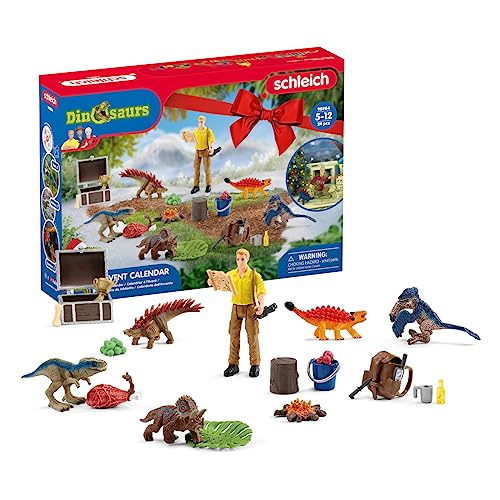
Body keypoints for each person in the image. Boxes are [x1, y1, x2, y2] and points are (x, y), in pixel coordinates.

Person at [208, 248, 266, 378]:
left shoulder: (253, 275)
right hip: (235, 308)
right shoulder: (231, 274)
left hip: (250, 307)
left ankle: (255, 364)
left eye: (242, 259)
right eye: (238, 259)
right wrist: (212, 282)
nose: (240, 262)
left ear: (247, 259)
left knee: (252, 336)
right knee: (233, 335)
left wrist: (261, 304)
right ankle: (233, 364)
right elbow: (223, 284)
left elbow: (261, 290)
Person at [181, 115, 215, 194]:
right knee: (196, 168)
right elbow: (191, 137)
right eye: (199, 122)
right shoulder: (196, 131)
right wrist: (185, 135)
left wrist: (211, 148)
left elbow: (212, 140)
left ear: (204, 122)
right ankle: (196, 186)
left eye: (202, 122)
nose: (200, 123)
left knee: (207, 169)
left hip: (206, 150)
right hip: (198, 150)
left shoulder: (208, 131)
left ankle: (208, 185)